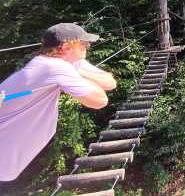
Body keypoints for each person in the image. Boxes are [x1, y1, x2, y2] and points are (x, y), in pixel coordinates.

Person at [0, 23, 117, 182]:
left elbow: (110, 83)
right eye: (83, 43)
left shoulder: (69, 63)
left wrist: (77, 72)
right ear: (66, 47)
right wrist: (73, 74)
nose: (87, 46)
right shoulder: (53, 66)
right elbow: (100, 100)